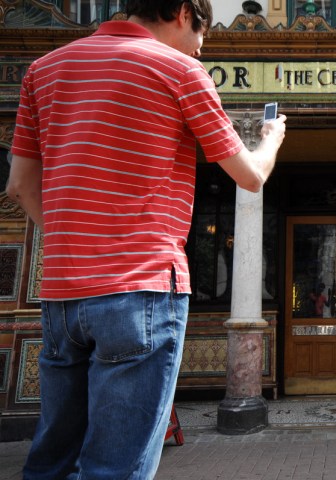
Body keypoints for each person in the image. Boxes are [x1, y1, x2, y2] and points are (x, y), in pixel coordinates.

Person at [6, 1, 286, 478]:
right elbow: (251, 176)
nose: (202, 46)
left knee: (52, 461)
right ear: (182, 12)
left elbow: (18, 186)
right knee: (116, 467)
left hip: (61, 296)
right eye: (203, 33)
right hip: (140, 290)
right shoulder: (180, 69)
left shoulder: (43, 69)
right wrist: (271, 137)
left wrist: (79, 240)